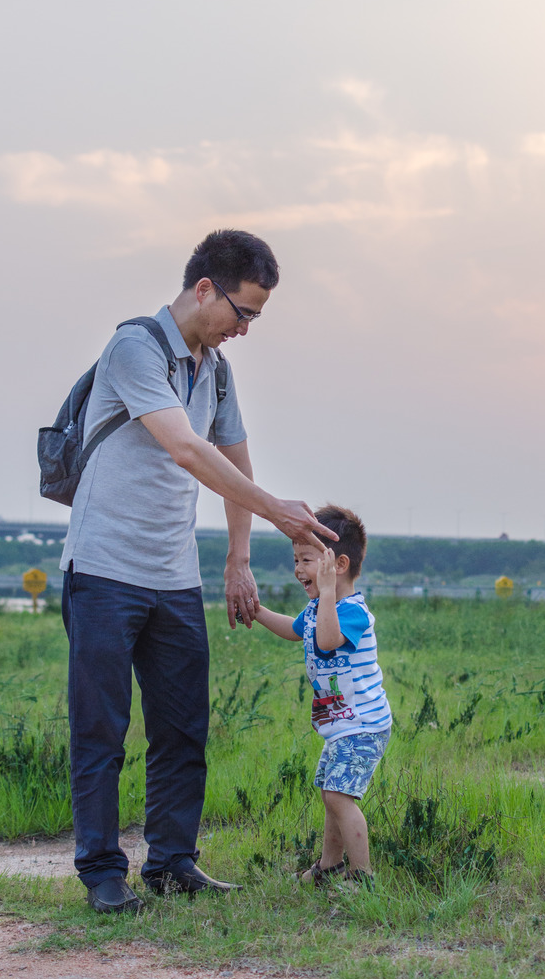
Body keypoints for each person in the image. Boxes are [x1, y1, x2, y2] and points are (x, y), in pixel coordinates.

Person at [59, 229, 337, 914]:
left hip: (173, 577)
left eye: (255, 319)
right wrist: (276, 511)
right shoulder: (135, 348)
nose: (244, 330)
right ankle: (101, 872)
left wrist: (238, 557)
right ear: (204, 288)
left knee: (183, 728)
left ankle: (172, 863)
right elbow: (185, 448)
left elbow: (235, 464)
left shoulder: (215, 369)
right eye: (242, 313)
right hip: (103, 569)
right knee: (101, 729)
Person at [253, 505, 391, 887]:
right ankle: (329, 868)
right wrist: (257, 610)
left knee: (338, 796)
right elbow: (296, 629)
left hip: (364, 724)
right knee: (331, 794)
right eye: (295, 559)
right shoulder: (317, 608)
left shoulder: (353, 612)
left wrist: (327, 592)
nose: (298, 569)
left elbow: (328, 641)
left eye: (307, 560)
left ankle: (362, 876)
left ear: (338, 564)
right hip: (341, 725)